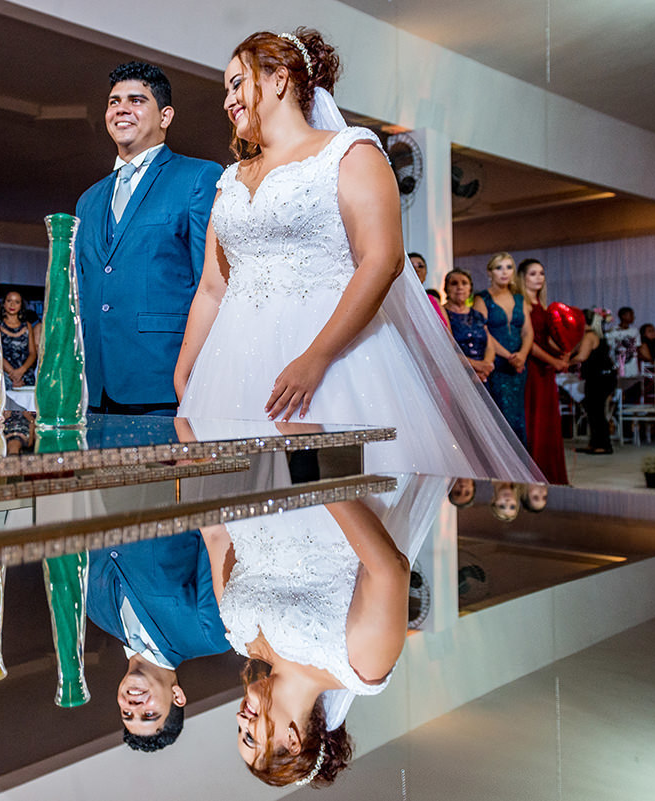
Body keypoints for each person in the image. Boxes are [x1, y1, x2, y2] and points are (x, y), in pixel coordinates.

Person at [175, 29, 539, 482]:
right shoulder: (229, 180)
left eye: (236, 83)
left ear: (278, 80)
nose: (227, 100)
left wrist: (316, 358)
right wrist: (187, 365)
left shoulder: (350, 152)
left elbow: (382, 260)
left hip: (332, 361)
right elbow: (213, 285)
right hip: (232, 366)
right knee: (240, 513)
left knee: (334, 504)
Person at [204, 500, 409, 787]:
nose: (240, 718)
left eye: (237, 731)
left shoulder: (239, 636)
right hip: (321, 488)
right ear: (292, 741)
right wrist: (320, 482)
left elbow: (215, 536)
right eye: (249, 736)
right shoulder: (358, 668)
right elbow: (391, 570)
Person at [75, 61, 223, 415]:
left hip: (164, 383)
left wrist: (200, 374)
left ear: (165, 116)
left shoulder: (199, 177)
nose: (121, 109)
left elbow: (213, 283)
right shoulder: (88, 199)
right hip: (93, 389)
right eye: (114, 102)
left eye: (136, 100)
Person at [87, 532, 231, 752]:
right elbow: (216, 536)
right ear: (177, 696)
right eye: (149, 714)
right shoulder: (209, 636)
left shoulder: (96, 614)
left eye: (127, 714)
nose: (134, 707)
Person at [515, 258, 568, 484]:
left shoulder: (543, 305)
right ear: (523, 278)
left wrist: (565, 352)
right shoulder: (522, 303)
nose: (539, 278)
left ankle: (551, 475)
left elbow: (547, 339)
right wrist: (553, 361)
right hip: (533, 369)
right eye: (533, 274)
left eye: (542, 273)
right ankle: (535, 475)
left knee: (548, 422)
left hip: (546, 370)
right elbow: (530, 343)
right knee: (534, 420)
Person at [473, 252, 532, 446]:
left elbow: (527, 332)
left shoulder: (519, 298)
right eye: (499, 268)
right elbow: (483, 332)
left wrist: (522, 355)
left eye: (508, 267)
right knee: (500, 416)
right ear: (490, 272)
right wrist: (508, 356)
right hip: (496, 364)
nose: (504, 272)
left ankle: (521, 470)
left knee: (518, 416)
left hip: (519, 366)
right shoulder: (482, 298)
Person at [570, 309, 617, 455]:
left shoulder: (589, 336)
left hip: (598, 378)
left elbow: (581, 357)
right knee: (594, 411)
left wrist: (566, 362)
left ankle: (603, 445)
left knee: (596, 412)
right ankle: (595, 443)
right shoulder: (596, 335)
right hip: (603, 377)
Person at [442, 268, 496, 383]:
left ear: (470, 288)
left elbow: (490, 347)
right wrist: (476, 366)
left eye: (464, 283)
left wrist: (484, 369)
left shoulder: (478, 315)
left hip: (483, 377)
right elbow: (445, 350)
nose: (460, 287)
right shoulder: (442, 314)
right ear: (446, 288)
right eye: (454, 283)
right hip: (456, 377)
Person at [0, 291, 36, 389]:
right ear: (4, 303)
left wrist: (20, 371)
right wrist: (12, 374)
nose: (12, 304)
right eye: (9, 301)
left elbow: (32, 353)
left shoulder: (27, 326)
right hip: (5, 376)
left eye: (17, 302)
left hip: (25, 375)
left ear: (21, 306)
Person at [606, 306, 639, 377]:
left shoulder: (635, 331)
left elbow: (637, 347)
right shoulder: (613, 331)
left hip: (632, 365)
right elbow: (609, 348)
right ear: (623, 316)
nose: (633, 317)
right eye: (631, 315)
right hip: (618, 364)